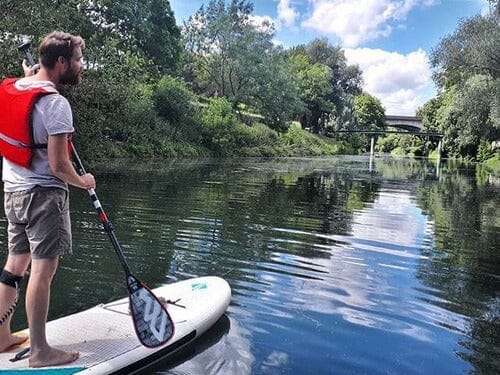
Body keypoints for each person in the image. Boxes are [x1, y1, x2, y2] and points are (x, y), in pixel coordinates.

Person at [0, 31, 95, 368]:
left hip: (12, 192)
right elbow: (58, 166)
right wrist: (82, 181)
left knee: (15, 266)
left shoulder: (11, 87)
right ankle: (40, 351)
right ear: (60, 63)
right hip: (42, 197)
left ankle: (1, 336)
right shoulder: (56, 104)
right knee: (42, 271)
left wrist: (31, 79)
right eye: (78, 59)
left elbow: (27, 91)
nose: (81, 65)